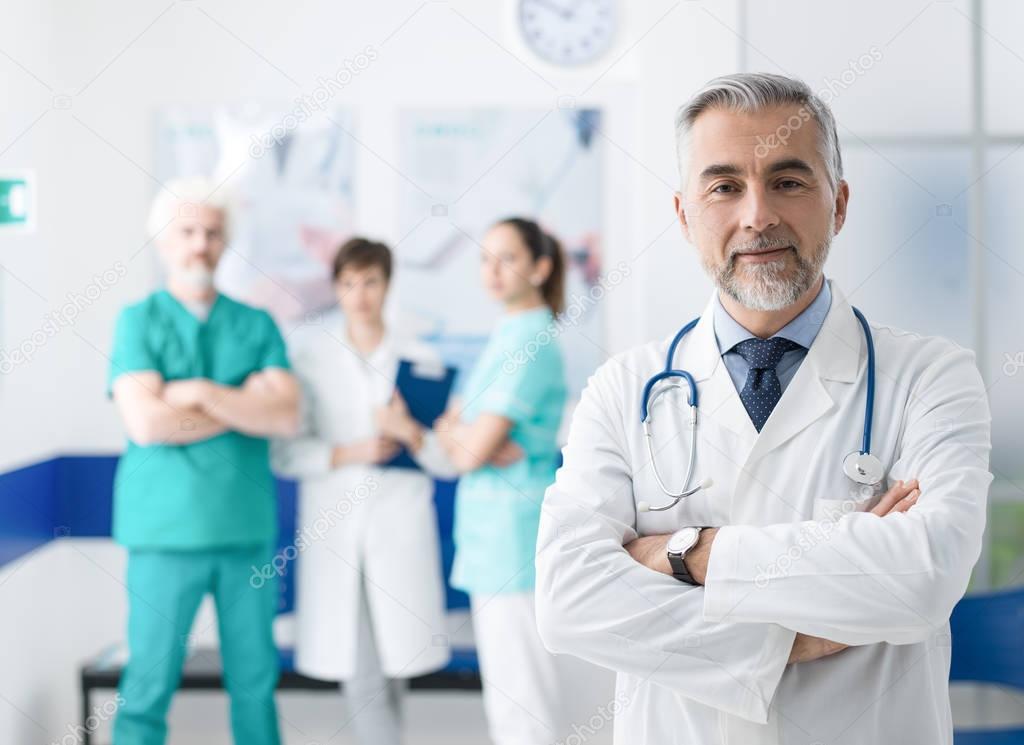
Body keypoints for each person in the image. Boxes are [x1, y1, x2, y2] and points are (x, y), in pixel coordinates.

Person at [535, 72, 993, 745]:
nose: (757, 215)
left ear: (838, 203)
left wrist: (687, 552)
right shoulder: (621, 389)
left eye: (788, 180)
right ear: (685, 214)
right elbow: (569, 599)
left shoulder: (931, 377)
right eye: (724, 186)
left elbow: (922, 578)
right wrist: (783, 643)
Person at [108, 178, 299, 745]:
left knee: (255, 685)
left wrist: (191, 391)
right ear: (164, 239)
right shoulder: (139, 321)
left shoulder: (256, 324)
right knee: (147, 684)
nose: (201, 244)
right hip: (163, 534)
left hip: (244, 534)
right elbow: (145, 424)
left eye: (213, 233)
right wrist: (243, 404)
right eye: (188, 231)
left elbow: (286, 417)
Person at [272, 237, 460, 745]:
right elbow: (286, 454)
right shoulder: (310, 358)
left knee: (396, 665)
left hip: (399, 530)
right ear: (336, 287)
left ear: (387, 284)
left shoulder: (420, 357)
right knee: (361, 669)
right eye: (349, 283)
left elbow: (445, 462)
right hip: (335, 528)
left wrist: (408, 432)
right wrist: (351, 452)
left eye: (370, 281)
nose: (359, 295)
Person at [434, 217, 569, 745]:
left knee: (525, 703)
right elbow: (469, 444)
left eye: (506, 258)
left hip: (514, 541)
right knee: (511, 699)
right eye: (484, 258)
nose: (491, 270)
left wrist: (461, 436)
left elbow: (469, 450)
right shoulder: (509, 333)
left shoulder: (532, 339)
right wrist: (465, 439)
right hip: (492, 538)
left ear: (540, 267)